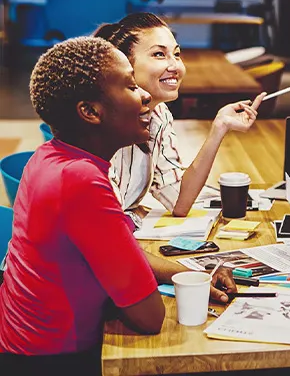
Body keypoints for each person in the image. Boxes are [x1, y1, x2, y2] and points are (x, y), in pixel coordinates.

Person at [0, 37, 236, 374]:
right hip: (51, 360)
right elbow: (150, 317)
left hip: (19, 345)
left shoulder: (51, 157)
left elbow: (122, 252)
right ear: (91, 112)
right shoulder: (82, 181)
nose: (145, 95)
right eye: (130, 86)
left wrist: (195, 274)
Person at [94, 13, 266, 220]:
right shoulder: (99, 124)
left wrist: (219, 127)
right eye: (159, 54)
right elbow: (102, 220)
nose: (175, 66)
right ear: (123, 65)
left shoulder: (159, 113)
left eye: (176, 54)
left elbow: (179, 202)